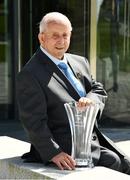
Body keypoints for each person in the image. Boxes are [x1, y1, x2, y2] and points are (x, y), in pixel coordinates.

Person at [16, 12, 130, 174]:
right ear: (42, 38)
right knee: (114, 162)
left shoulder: (79, 61)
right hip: (63, 146)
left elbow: (98, 90)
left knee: (126, 164)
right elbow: (33, 121)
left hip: (90, 139)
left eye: (65, 35)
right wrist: (54, 153)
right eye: (55, 36)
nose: (61, 41)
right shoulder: (31, 74)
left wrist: (89, 100)